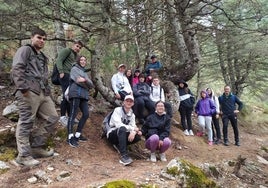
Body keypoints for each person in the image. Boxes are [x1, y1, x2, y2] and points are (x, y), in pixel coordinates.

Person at [11, 28, 59, 166]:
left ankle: (37, 147)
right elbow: (17, 68)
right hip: (28, 90)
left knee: (53, 117)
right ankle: (23, 156)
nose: (42, 41)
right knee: (26, 121)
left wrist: (48, 91)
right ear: (32, 37)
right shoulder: (25, 50)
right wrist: (23, 88)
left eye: (44, 39)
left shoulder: (43, 56)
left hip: (43, 91)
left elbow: (43, 75)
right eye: (39, 37)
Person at [106, 95, 142, 165]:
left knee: (138, 136)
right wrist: (133, 129)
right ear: (123, 102)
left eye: (131, 101)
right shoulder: (117, 110)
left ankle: (120, 145)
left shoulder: (132, 114)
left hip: (123, 134)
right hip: (112, 133)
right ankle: (124, 156)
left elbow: (133, 125)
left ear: (133, 104)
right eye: (127, 101)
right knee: (122, 128)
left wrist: (134, 132)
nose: (129, 103)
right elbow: (118, 125)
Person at [67, 56, 94, 147]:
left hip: (84, 95)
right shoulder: (74, 69)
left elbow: (91, 85)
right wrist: (85, 83)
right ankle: (70, 137)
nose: (83, 61)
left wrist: (85, 80)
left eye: (85, 60)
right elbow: (77, 81)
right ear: (78, 61)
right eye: (81, 60)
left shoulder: (84, 72)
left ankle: (77, 135)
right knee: (73, 114)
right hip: (75, 93)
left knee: (86, 114)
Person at [56, 40, 83, 126]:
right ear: (73, 45)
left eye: (79, 47)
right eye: (77, 46)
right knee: (65, 95)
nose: (78, 48)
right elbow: (59, 60)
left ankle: (71, 117)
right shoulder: (67, 50)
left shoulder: (76, 56)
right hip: (65, 75)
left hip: (71, 77)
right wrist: (61, 72)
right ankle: (62, 117)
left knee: (70, 97)